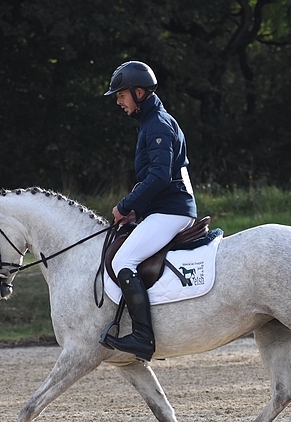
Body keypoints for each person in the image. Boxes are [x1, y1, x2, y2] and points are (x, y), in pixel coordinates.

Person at [100, 61, 197, 361]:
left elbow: (158, 176)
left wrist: (126, 205)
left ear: (139, 92)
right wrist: (136, 212)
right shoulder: (151, 122)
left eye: (122, 95)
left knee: (123, 260)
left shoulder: (157, 125)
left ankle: (143, 337)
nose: (118, 101)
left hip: (173, 211)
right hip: (164, 209)